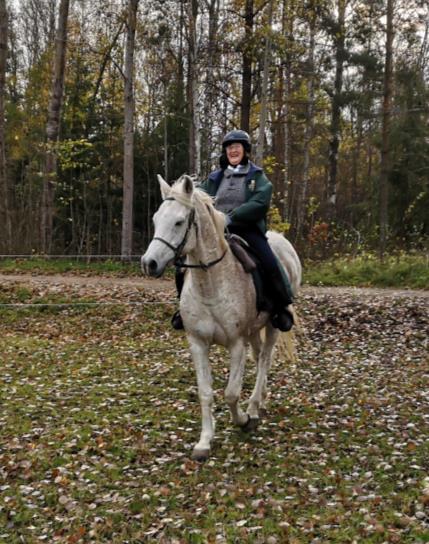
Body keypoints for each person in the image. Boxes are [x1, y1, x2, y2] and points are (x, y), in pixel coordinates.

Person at [171, 129, 294, 332]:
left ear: (245, 150)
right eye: (229, 147)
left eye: (237, 147)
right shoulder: (215, 178)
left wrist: (232, 216)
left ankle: (281, 306)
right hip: (216, 233)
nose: (233, 151)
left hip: (247, 230)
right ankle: (183, 309)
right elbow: (198, 198)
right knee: (183, 265)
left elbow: (260, 202)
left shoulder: (257, 176)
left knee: (269, 261)